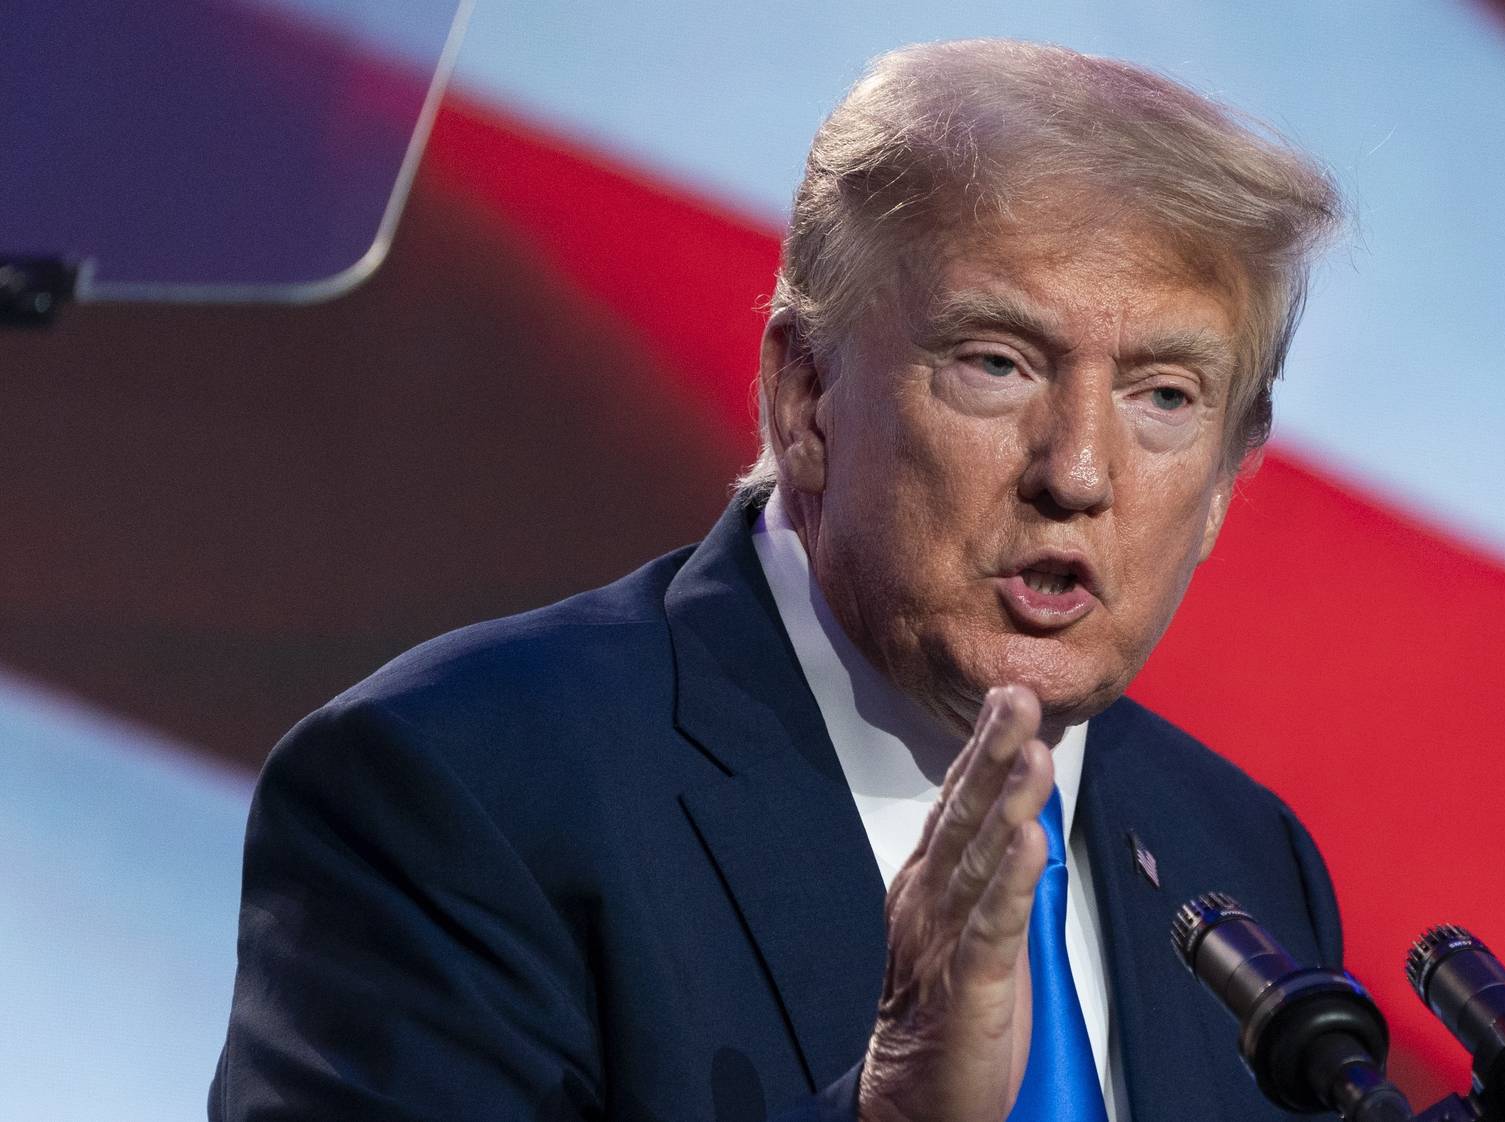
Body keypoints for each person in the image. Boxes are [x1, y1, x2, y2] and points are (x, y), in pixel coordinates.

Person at [210, 38, 1342, 1122]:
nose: (1078, 472)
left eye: (1163, 396)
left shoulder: (1240, 856)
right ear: (805, 400)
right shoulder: (461, 791)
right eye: (996, 363)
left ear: (1227, 483)